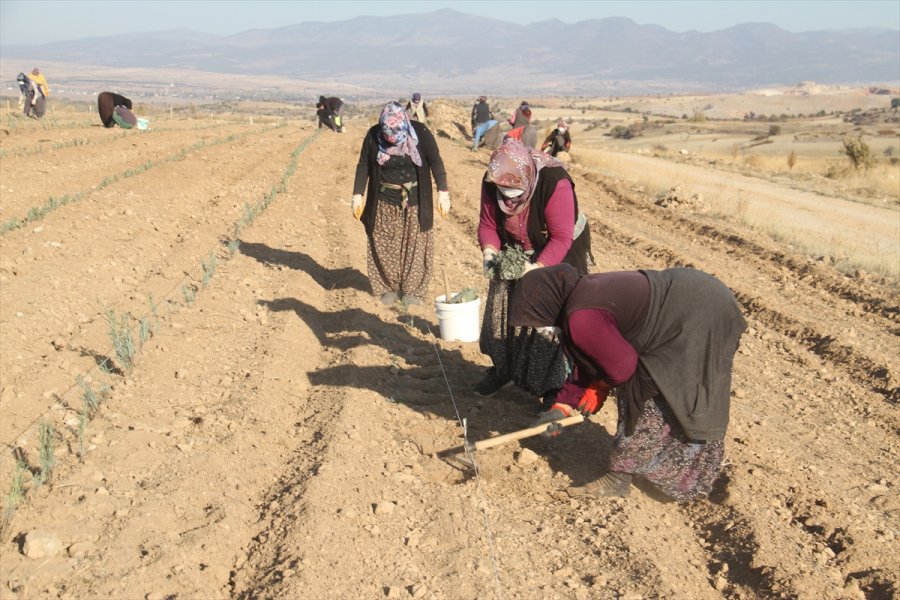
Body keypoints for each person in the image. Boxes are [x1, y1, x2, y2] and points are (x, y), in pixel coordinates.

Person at [509, 263, 747, 502]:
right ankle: (658, 469)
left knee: (644, 389)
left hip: (700, 314)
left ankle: (623, 476)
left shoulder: (580, 317)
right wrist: (561, 405)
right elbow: (594, 354)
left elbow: (622, 366)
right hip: (701, 297)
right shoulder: (580, 296)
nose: (538, 328)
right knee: (658, 386)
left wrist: (599, 386)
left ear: (544, 303)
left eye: (535, 319)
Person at [474, 137, 593, 401]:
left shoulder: (554, 182)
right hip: (517, 246)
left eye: (514, 193)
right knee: (503, 306)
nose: (508, 199)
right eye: (503, 192)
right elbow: (487, 224)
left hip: (560, 248)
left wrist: (536, 268)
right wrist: (489, 252)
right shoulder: (493, 179)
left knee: (551, 315)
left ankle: (555, 388)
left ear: (527, 178)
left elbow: (561, 237)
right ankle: (504, 369)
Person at [351, 101, 450, 306]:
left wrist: (443, 192)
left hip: (415, 200)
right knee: (384, 243)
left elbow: (436, 162)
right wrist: (357, 195)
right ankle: (389, 287)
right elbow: (363, 165)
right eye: (389, 139)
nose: (394, 142)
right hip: (384, 199)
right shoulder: (373, 136)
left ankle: (412, 290)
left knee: (415, 243)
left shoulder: (420, 133)